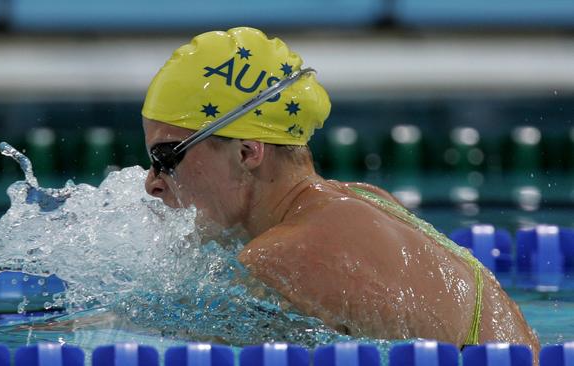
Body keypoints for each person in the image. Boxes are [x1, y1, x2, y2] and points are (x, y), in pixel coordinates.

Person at [141, 27, 540, 357]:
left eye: (167, 156)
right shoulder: (368, 198)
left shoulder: (279, 256)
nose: (153, 181)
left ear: (247, 152)